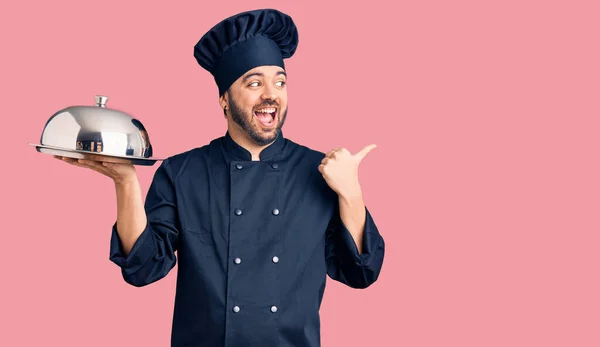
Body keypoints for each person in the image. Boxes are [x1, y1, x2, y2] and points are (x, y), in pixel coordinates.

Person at [56, 8, 385, 347]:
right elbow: (142, 269)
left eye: (280, 81)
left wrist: (352, 194)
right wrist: (125, 181)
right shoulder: (182, 172)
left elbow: (360, 273)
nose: (271, 93)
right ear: (224, 99)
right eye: (254, 83)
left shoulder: (321, 172)